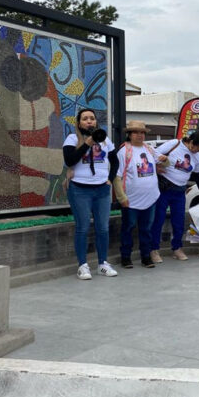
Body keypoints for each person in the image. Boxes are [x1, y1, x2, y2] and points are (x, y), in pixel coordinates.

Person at [62, 108, 118, 280]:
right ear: (79, 123)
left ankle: (102, 263)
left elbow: (115, 161)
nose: (89, 121)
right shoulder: (72, 139)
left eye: (92, 119)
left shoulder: (105, 140)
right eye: (85, 119)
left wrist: (110, 178)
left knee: (103, 228)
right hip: (80, 190)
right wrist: (87, 142)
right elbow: (69, 160)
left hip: (101, 190)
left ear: (96, 122)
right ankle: (82, 265)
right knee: (83, 228)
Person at [150, 131, 199, 263]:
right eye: (197, 147)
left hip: (179, 192)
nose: (198, 151)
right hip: (164, 189)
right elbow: (153, 154)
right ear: (191, 142)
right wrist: (156, 166)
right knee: (158, 220)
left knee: (178, 221)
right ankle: (154, 249)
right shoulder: (175, 144)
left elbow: (198, 176)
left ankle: (177, 247)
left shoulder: (195, 157)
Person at [113, 121, 164, 269]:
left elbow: (165, 164)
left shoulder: (149, 149)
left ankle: (146, 256)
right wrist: (122, 197)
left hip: (151, 198)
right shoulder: (123, 151)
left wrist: (165, 160)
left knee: (146, 229)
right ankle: (126, 257)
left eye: (142, 132)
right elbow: (117, 177)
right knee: (128, 228)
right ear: (129, 134)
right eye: (135, 132)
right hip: (131, 200)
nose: (140, 135)